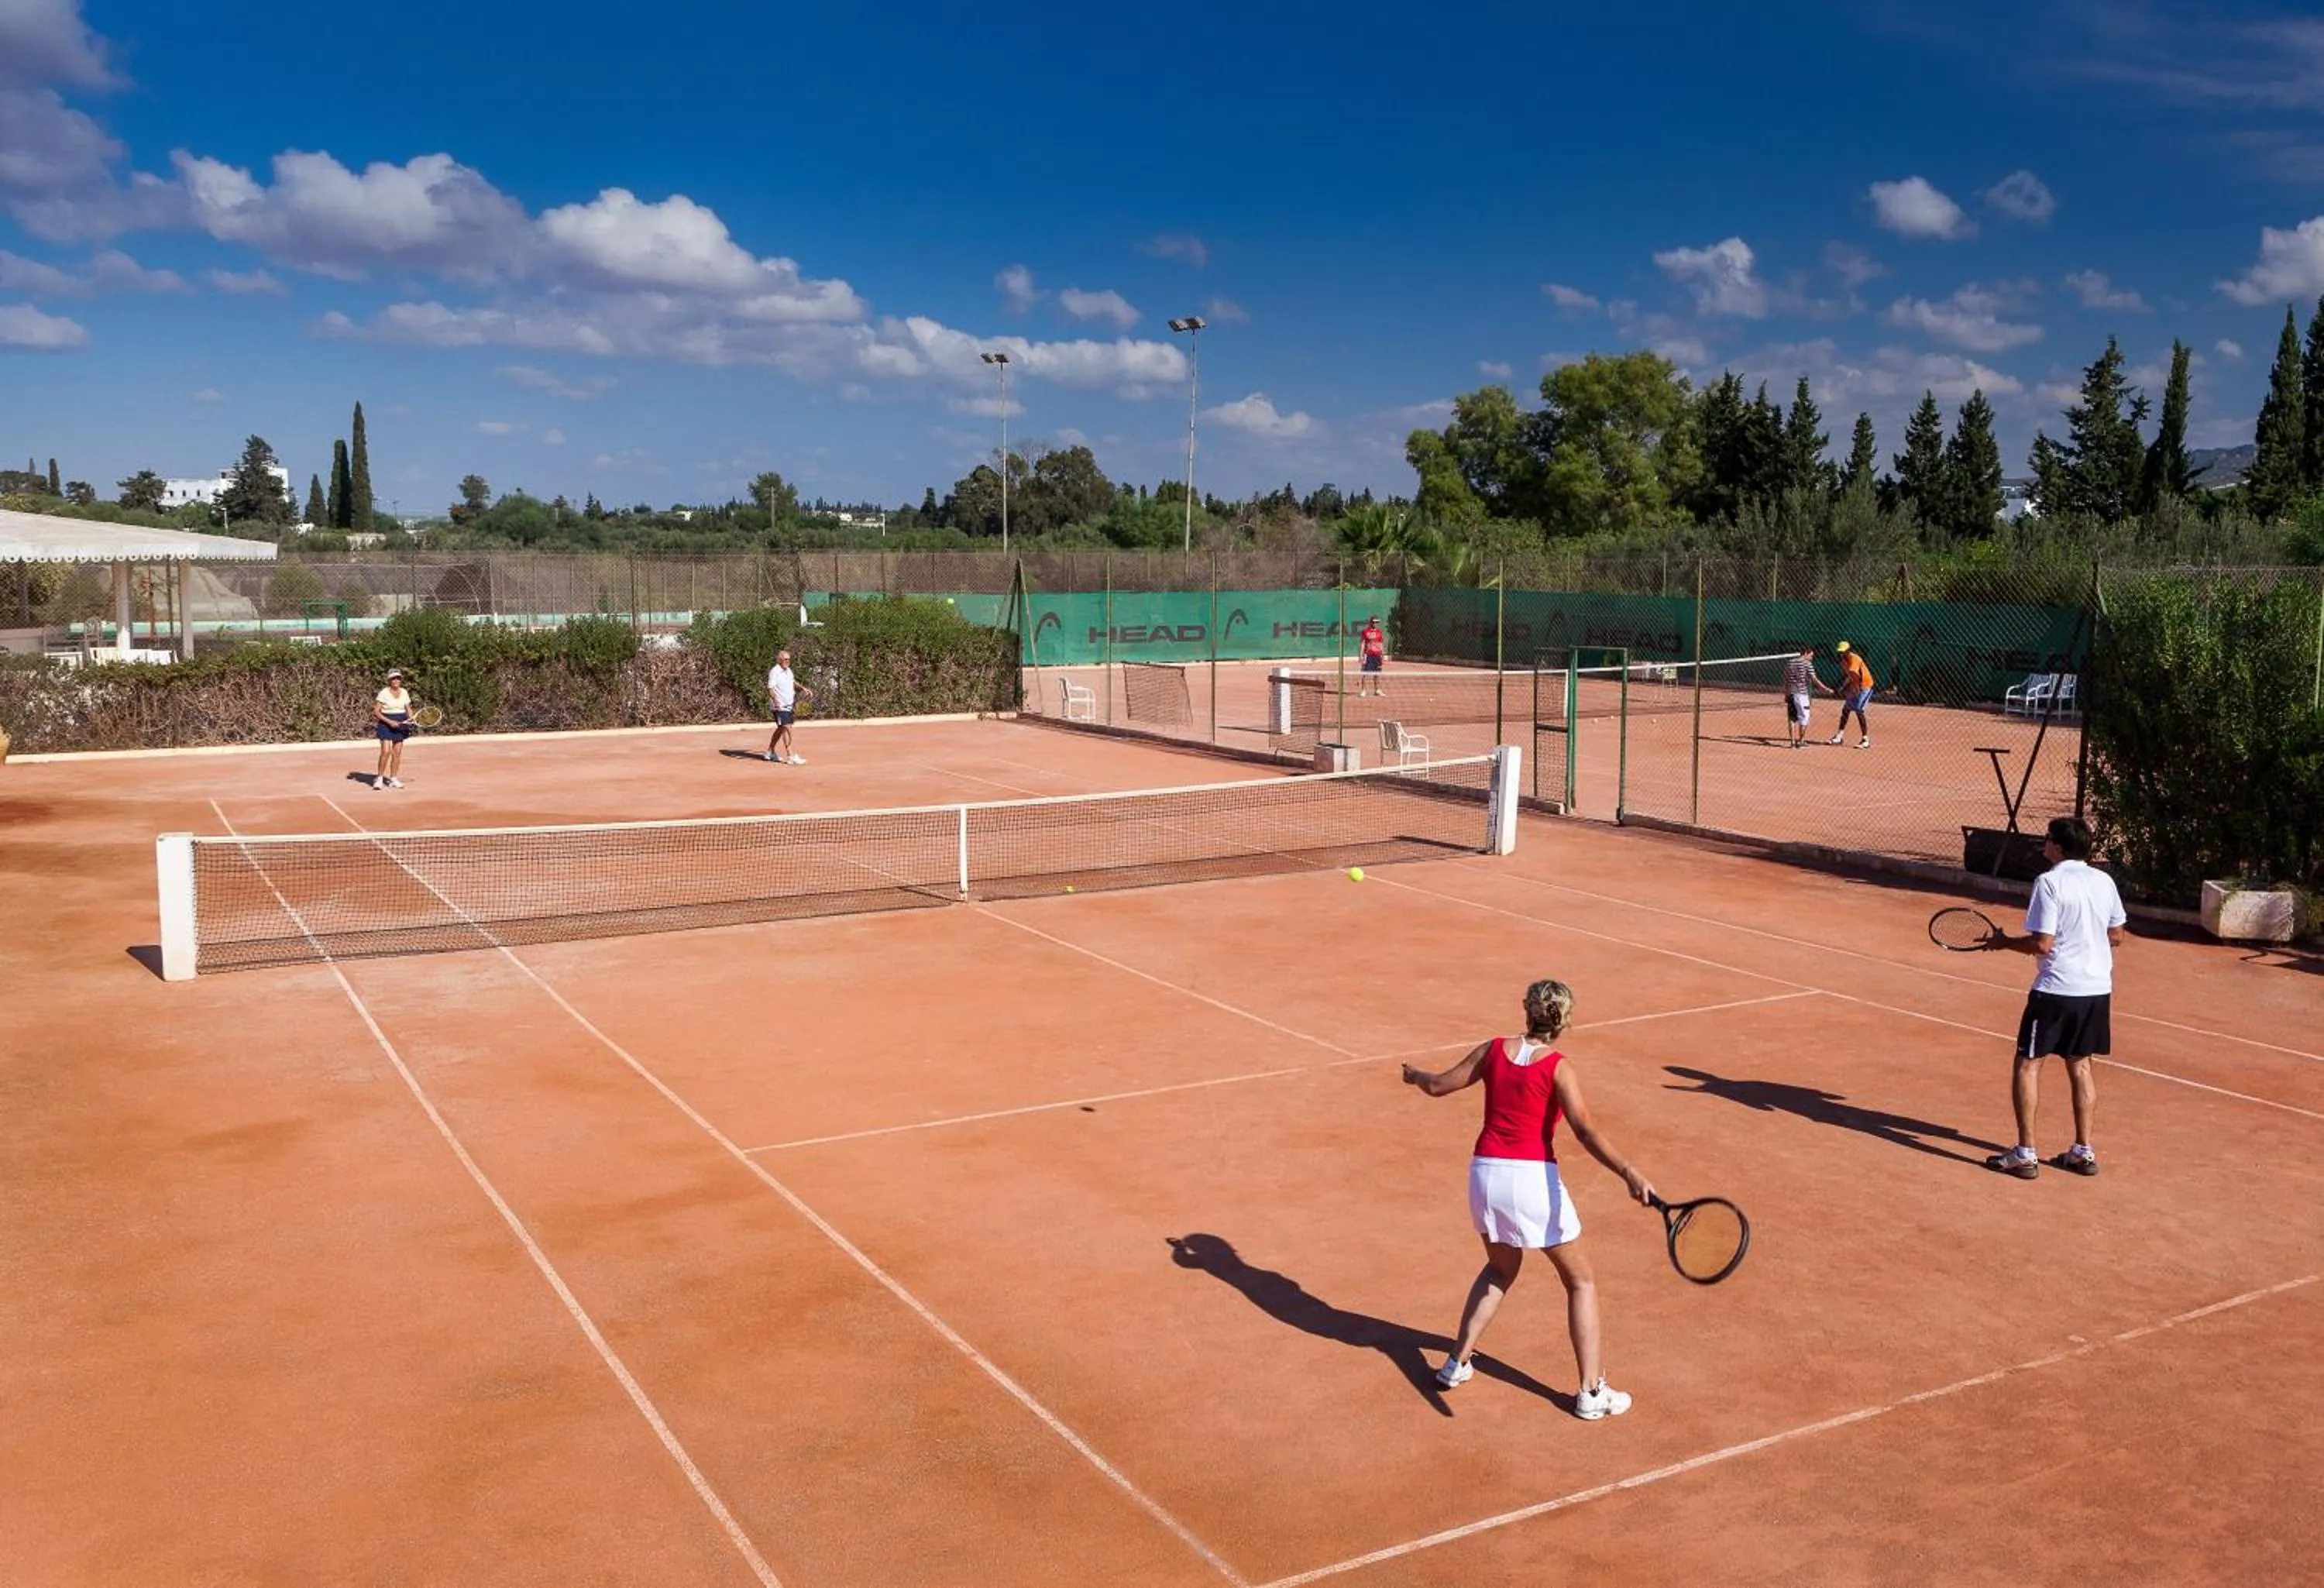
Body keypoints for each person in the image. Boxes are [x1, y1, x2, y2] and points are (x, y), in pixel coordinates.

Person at [1401, 978, 1655, 1420]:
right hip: (1533, 1181)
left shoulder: (1493, 1049)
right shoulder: (1559, 1067)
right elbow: (1586, 1131)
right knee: (1581, 1282)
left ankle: (1455, 1363)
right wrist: (1628, 1172)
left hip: (1484, 1176)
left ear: (1526, 1009)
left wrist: (1416, 1075)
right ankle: (1591, 1392)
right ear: (1565, 1020)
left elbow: (1440, 1085)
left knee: (1501, 1268)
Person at [1985, 816, 2126, 1180]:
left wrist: (2003, 944)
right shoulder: (2104, 881)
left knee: (2028, 1064)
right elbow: (2117, 935)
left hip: (2056, 990)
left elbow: (2042, 944)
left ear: (2059, 848)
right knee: (2080, 1065)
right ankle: (2082, 1151)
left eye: (2047, 839)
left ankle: (2026, 1154)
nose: (2044, 843)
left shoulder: (2048, 883)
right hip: (2096, 989)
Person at [1783, 642, 1835, 749]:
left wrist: (1787, 693)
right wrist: (1826, 689)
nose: (1811, 658)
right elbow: (1814, 679)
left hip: (1791, 693)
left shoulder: (1790, 663)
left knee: (1792, 718)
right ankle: (1801, 741)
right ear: (1806, 653)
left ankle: (1792, 742)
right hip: (1801, 695)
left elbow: (1786, 679)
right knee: (1804, 718)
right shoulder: (1807, 664)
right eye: (1811, 655)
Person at [764, 648, 813, 765]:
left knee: (781, 729)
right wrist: (776, 701)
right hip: (780, 706)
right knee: (787, 728)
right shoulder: (774, 672)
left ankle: (770, 752)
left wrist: (803, 688)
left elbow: (792, 681)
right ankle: (790, 756)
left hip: (789, 704)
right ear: (779, 660)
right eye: (785, 659)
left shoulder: (788, 671)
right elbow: (770, 688)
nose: (787, 661)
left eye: (789, 660)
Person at [1827, 640, 1875, 748]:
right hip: (1855, 684)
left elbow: (1856, 677)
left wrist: (1853, 689)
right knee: (1846, 710)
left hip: (1865, 686)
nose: (1841, 654)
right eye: (1840, 652)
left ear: (1849, 650)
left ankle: (1865, 740)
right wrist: (1842, 688)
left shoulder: (1855, 659)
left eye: (1843, 652)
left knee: (1859, 710)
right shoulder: (1844, 661)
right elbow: (1849, 676)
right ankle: (1839, 737)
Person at [372, 668, 413, 789]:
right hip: (386, 722)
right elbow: (376, 712)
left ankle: (393, 779)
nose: (396, 680)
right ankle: (379, 778)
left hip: (401, 722)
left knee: (397, 753)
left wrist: (410, 716)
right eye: (393, 678)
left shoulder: (404, 692)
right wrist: (389, 722)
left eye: (398, 678)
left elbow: (408, 708)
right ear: (389, 680)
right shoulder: (383, 693)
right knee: (385, 752)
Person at [1358, 614, 1387, 697]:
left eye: (1377, 622)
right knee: (1365, 673)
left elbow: (1381, 644)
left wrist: (1383, 655)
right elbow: (1363, 644)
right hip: (1368, 655)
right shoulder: (1365, 631)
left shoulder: (1379, 632)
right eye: (1374, 622)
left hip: (1377, 655)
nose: (1375, 624)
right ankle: (1363, 690)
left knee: (1377, 673)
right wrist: (1361, 655)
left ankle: (1377, 690)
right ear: (1370, 622)